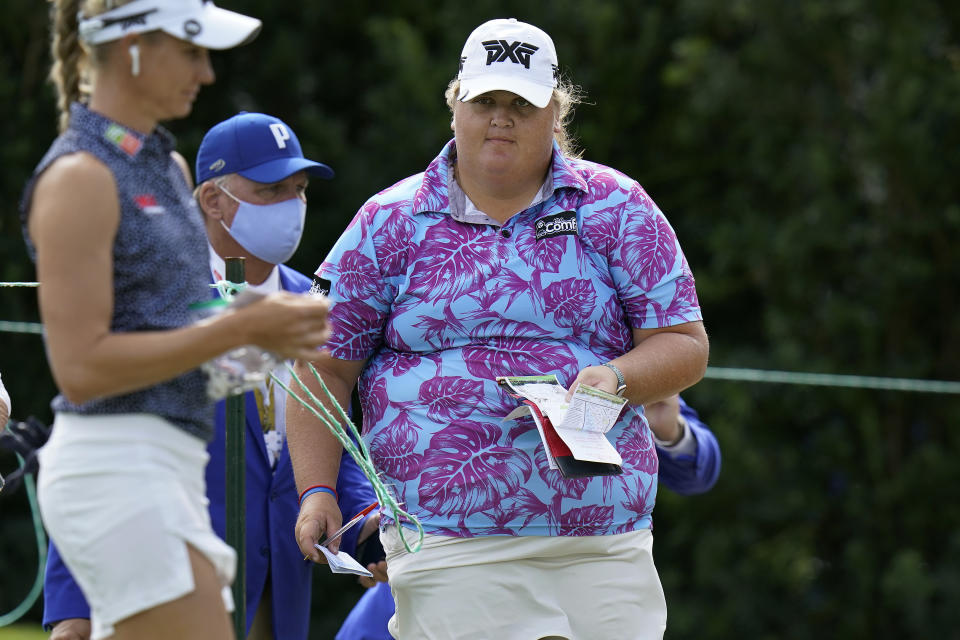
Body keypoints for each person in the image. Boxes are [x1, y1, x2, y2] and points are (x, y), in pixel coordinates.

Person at [287, 17, 709, 640]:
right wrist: (317, 489)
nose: (501, 118)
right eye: (485, 100)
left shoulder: (618, 206)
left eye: (522, 103)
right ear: (456, 105)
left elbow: (685, 345)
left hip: (603, 539)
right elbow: (324, 366)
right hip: (448, 538)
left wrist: (614, 379)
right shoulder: (388, 219)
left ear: (555, 115)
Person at [20, 3, 331, 639]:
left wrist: (275, 339)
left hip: (168, 470)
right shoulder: (78, 177)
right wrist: (245, 326)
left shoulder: (167, 169)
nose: (208, 72)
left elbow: (187, 336)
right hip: (116, 469)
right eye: (191, 52)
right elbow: (80, 371)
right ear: (132, 48)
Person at [41, 112, 384, 640]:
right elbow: (102, 437)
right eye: (271, 189)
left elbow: (325, 433)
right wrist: (71, 605)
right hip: (170, 577)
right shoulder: (158, 297)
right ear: (213, 200)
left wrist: (366, 526)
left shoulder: (316, 302)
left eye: (300, 189)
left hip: (281, 584)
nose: (292, 205)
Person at [335, 393, 721, 640]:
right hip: (438, 573)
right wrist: (368, 524)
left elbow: (697, 469)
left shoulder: (602, 320)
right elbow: (342, 430)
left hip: (580, 581)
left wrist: (670, 429)